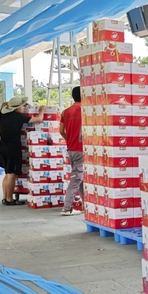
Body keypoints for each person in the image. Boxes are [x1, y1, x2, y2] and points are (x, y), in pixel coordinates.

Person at [0, 96, 45, 205]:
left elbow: (5, 104)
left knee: (7, 173)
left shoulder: (3, 113)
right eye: (22, 106)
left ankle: (6, 197)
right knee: (12, 174)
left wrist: (24, 105)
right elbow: (38, 120)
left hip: (3, 146)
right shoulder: (18, 117)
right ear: (17, 108)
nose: (24, 108)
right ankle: (9, 199)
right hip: (13, 148)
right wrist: (41, 111)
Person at [59, 86, 83, 216]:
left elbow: (61, 131)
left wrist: (70, 140)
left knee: (80, 178)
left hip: (71, 149)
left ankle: (85, 206)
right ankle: (66, 208)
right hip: (81, 149)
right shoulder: (84, 110)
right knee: (76, 179)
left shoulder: (65, 112)